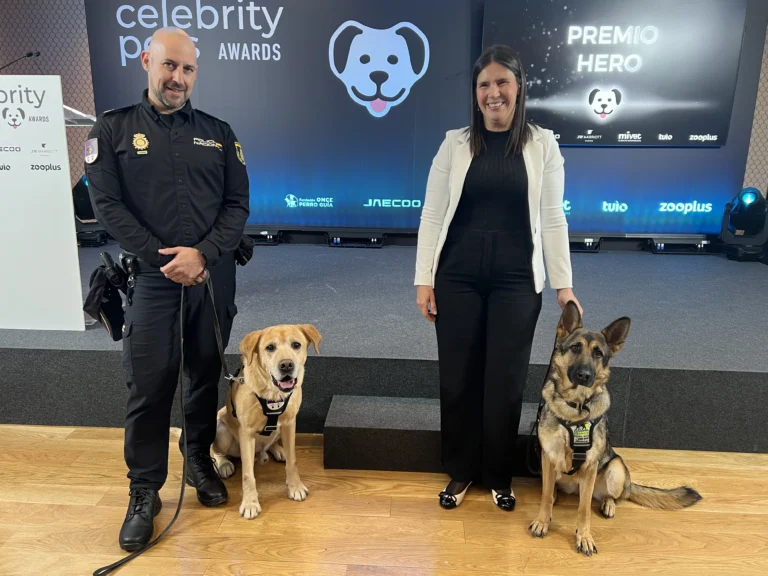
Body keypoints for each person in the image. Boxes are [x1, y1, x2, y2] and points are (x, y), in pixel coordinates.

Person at [84, 27, 250, 550]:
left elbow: (237, 205)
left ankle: (198, 458)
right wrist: (166, 259)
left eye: (188, 68)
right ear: (146, 62)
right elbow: (107, 207)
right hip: (152, 281)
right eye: (169, 65)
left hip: (212, 276)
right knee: (149, 385)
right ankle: (144, 490)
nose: (178, 77)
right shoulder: (113, 129)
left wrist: (203, 254)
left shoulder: (219, 132)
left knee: (203, 373)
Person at [414, 44, 582, 511]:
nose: (493, 93)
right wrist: (424, 279)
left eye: (501, 82)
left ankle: (498, 475)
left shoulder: (543, 146)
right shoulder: (454, 144)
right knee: (458, 378)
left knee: (505, 381)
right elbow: (432, 215)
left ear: (519, 87)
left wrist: (564, 285)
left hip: (516, 283)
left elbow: (553, 218)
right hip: (457, 279)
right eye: (484, 84)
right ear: (475, 92)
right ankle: (461, 470)